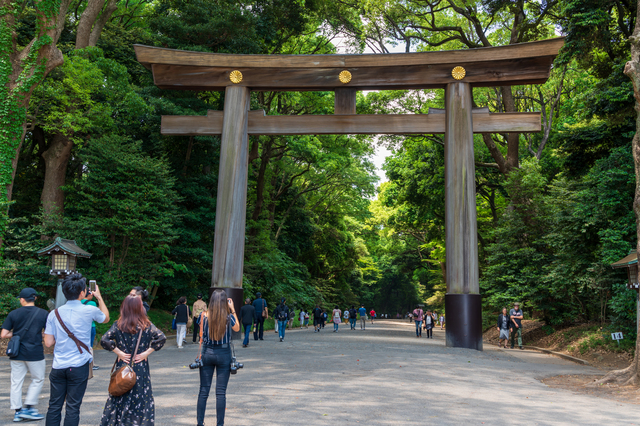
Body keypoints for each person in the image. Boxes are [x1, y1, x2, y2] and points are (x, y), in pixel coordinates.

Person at [44, 273, 109, 426]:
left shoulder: (54, 314)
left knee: (54, 406)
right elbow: (105, 318)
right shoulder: (89, 310)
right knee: (73, 408)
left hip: (58, 366)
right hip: (79, 366)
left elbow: (48, 342)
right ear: (82, 292)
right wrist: (99, 297)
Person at [100, 296, 166, 425]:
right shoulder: (146, 325)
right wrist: (146, 353)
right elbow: (161, 337)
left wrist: (119, 352)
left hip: (123, 366)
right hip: (140, 366)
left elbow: (104, 340)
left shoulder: (119, 325)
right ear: (140, 308)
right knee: (141, 398)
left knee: (120, 394)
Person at [1, 288, 49, 422]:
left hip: (17, 353)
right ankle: (29, 407)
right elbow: (48, 334)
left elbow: (3, 334)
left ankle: (17, 411)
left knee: (16, 382)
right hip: (35, 352)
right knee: (37, 379)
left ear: (22, 299)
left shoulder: (13, 314)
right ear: (35, 298)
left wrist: (16, 334)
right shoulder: (43, 313)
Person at [196, 290, 240, 426]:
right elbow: (237, 328)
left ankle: (200, 423)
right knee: (220, 393)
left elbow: (200, 328)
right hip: (224, 354)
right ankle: (220, 424)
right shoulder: (228, 317)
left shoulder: (203, 315)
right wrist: (232, 310)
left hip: (207, 353)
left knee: (204, 390)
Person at [80, 292, 100, 371]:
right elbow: (97, 316)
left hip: (80, 327)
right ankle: (91, 364)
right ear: (89, 294)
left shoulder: (78, 302)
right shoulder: (92, 303)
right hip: (90, 326)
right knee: (90, 346)